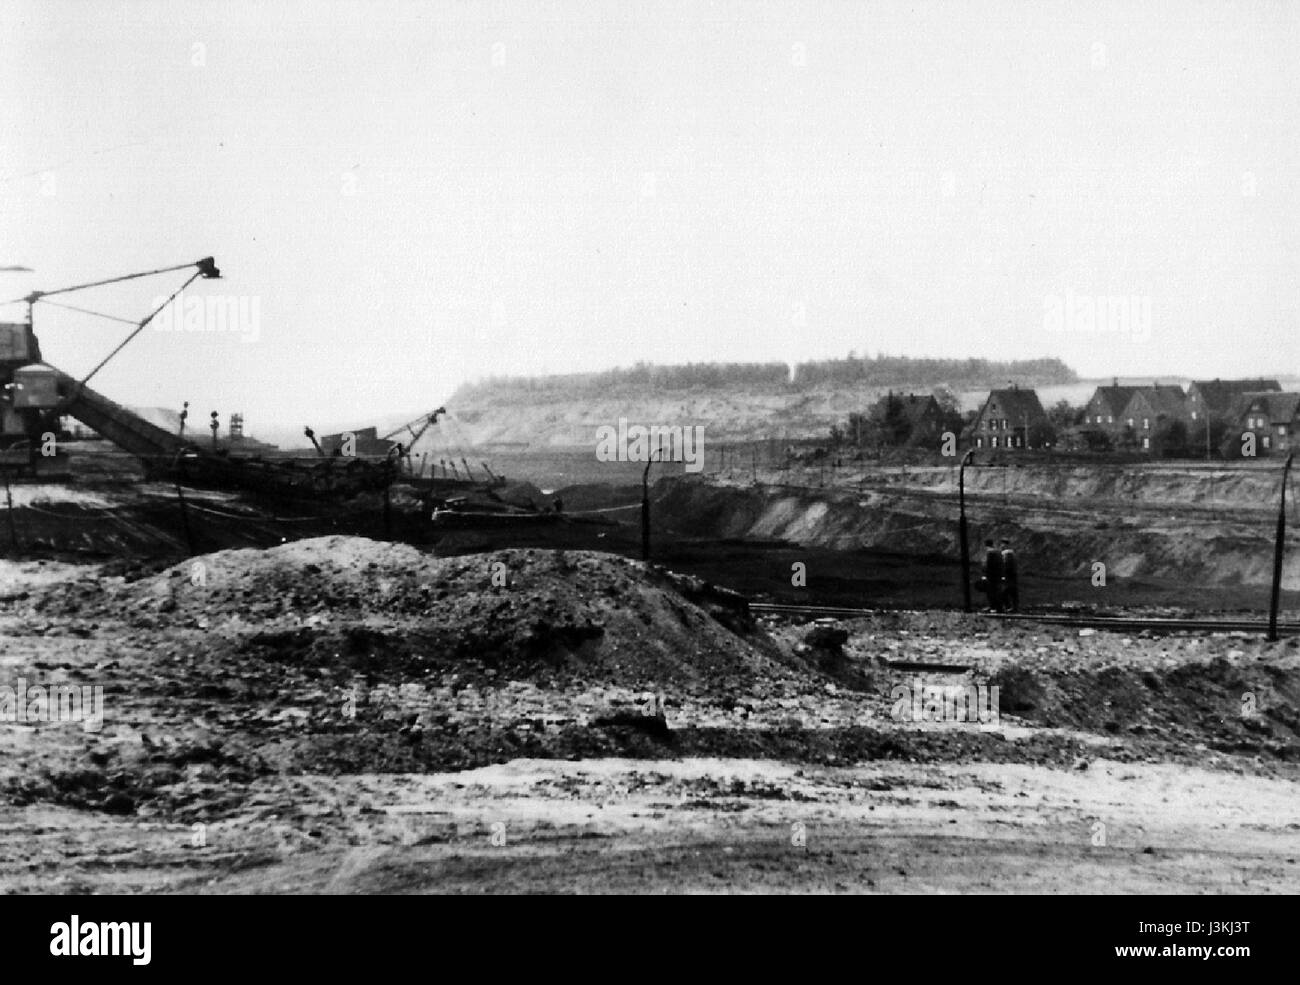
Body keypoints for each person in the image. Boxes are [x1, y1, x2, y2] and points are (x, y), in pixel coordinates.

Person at [982, 539, 1003, 612]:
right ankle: (999, 607)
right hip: (998, 575)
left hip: (991, 576)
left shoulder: (989, 552)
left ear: (985, 545)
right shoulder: (998, 552)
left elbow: (987, 565)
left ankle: (993, 607)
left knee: (991, 592)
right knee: (997, 591)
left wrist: (985, 575)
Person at [1000, 539, 1019, 612]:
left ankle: (1009, 607)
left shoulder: (1007, 553)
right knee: (1013, 592)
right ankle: (1013, 607)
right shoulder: (1012, 553)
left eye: (1002, 544)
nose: (1001, 546)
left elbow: (1006, 565)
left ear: (1005, 545)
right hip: (1012, 576)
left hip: (1008, 576)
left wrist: (1003, 575)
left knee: (1005, 592)